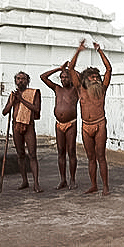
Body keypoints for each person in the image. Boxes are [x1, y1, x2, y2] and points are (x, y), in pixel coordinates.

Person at [69, 40, 112, 195]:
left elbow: (108, 68)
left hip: (99, 125)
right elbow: (71, 68)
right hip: (86, 126)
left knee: (101, 156)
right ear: (85, 79)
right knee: (90, 158)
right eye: (92, 77)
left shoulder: (103, 89)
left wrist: (99, 51)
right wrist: (78, 51)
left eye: (96, 77)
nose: (95, 79)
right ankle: (94, 185)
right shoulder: (80, 90)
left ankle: (105, 186)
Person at [40, 57, 80, 190]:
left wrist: (71, 70)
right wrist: (59, 68)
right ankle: (63, 180)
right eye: (62, 77)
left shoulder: (75, 89)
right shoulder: (57, 88)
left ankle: (72, 179)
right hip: (59, 124)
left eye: (66, 77)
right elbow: (43, 77)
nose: (64, 80)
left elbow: (80, 78)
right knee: (61, 152)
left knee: (71, 151)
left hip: (71, 123)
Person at [2, 71, 42, 192]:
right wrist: (13, 102)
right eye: (18, 79)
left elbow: (36, 109)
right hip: (16, 126)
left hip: (28, 126)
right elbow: (4, 112)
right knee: (20, 155)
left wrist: (22, 100)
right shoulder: (13, 95)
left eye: (23, 79)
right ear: (15, 81)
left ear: (27, 81)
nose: (21, 81)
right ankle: (24, 181)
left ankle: (36, 183)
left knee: (32, 155)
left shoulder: (34, 93)